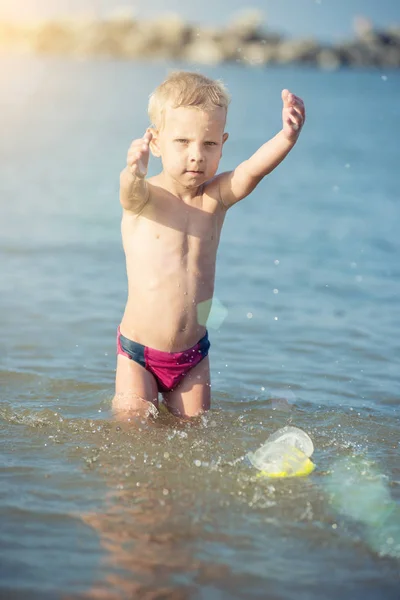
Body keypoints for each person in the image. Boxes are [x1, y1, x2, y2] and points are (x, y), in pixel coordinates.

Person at [113, 71, 305, 420]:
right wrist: (133, 171)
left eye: (209, 144)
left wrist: (287, 137)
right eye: (182, 142)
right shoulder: (147, 198)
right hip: (138, 353)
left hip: (192, 357)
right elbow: (129, 193)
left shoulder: (215, 199)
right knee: (132, 432)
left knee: (194, 435)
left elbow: (251, 171)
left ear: (223, 144)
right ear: (155, 143)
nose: (197, 156)